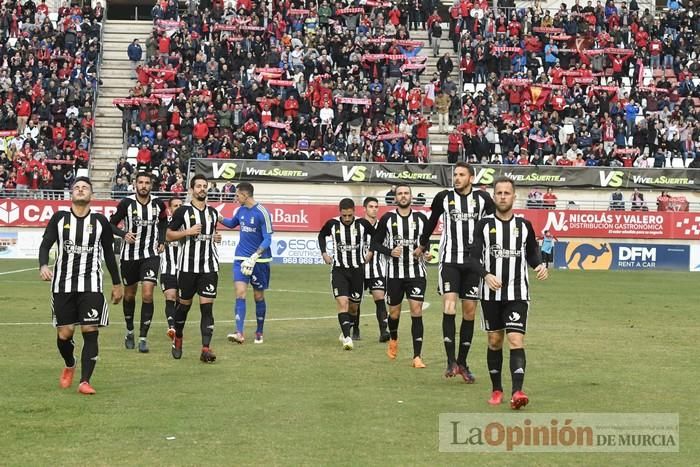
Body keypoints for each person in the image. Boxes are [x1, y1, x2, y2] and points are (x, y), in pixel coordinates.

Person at [39, 177, 124, 395]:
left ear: (91, 195)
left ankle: (85, 381)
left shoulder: (100, 222)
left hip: (91, 285)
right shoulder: (59, 218)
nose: (80, 190)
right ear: (71, 194)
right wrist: (42, 265)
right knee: (64, 334)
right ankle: (70, 364)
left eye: (84, 188)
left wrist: (117, 283)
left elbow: (108, 253)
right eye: (76, 187)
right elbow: (46, 243)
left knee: (90, 329)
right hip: (62, 285)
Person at [470, 176, 549, 410]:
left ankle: (517, 391)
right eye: (499, 193)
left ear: (514, 197)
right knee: (495, 341)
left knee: (516, 339)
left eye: (507, 193)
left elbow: (533, 253)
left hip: (517, 293)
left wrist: (539, 266)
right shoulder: (484, 225)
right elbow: (472, 258)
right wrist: (486, 274)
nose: (503, 196)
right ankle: (497, 389)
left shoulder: (524, 226)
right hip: (490, 294)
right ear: (494, 197)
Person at [417, 162, 495, 382]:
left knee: (469, 311)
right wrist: (422, 245)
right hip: (450, 260)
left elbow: (493, 224)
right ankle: (450, 361)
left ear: (471, 177)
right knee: (449, 307)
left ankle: (462, 362)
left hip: (473, 263)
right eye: (455, 174)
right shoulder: (443, 197)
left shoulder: (483, 199)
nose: (457, 178)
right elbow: (432, 222)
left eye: (461, 175)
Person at [371, 184, 431, 368]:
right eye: (400, 194)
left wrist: (425, 252)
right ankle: (394, 338)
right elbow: (374, 243)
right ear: (395, 197)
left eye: (406, 193)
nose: (403, 196)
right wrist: (389, 251)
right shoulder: (388, 219)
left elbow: (425, 241)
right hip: (394, 274)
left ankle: (417, 356)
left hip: (417, 273)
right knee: (394, 313)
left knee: (416, 310)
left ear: (411, 196)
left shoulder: (421, 218)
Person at [109, 172, 168, 353]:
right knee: (129, 295)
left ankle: (143, 337)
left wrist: (162, 240)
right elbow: (110, 224)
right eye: (140, 182)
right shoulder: (126, 203)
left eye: (147, 183)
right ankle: (130, 331)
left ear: (151, 185)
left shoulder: (158, 204)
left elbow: (164, 223)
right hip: (129, 257)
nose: (143, 185)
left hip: (150, 255)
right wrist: (123, 234)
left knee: (148, 294)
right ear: (135, 184)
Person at [166, 174, 221, 363]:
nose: (202, 189)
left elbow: (213, 234)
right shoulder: (182, 211)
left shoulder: (213, 213)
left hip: (209, 266)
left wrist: (216, 238)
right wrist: (187, 232)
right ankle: (178, 337)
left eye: (205, 186)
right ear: (191, 190)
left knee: (207, 308)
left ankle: (206, 348)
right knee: (184, 307)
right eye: (198, 186)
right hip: (187, 267)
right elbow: (168, 235)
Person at [219, 182, 274, 344]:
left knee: (258, 296)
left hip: (259, 261)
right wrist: (218, 217)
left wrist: (255, 255)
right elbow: (231, 224)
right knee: (240, 293)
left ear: (245, 195)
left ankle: (259, 331)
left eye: (237, 195)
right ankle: (239, 333)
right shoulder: (240, 210)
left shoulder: (262, 212)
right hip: (241, 258)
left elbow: (268, 238)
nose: (236, 198)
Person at [317, 198, 375, 350]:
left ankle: (346, 331)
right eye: (344, 216)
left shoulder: (363, 224)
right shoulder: (332, 224)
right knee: (343, 303)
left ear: (354, 212)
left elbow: (376, 236)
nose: (347, 218)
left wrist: (371, 251)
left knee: (354, 308)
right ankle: (347, 338)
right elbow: (321, 235)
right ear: (340, 213)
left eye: (350, 215)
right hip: (339, 270)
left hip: (357, 270)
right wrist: (324, 253)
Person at [358, 196, 389, 342]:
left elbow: (386, 246)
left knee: (379, 297)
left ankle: (384, 331)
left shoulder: (382, 227)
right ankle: (355, 329)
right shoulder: (356, 225)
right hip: (358, 269)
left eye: (376, 206)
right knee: (355, 302)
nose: (374, 209)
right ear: (364, 208)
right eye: (371, 206)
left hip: (377, 269)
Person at [160, 196, 183, 338]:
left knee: (181, 300)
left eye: (181, 205)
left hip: (184, 269)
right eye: (175, 205)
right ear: (170, 209)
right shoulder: (163, 226)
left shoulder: (188, 225)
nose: (178, 208)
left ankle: (177, 325)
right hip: (167, 268)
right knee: (171, 295)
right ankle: (172, 327)